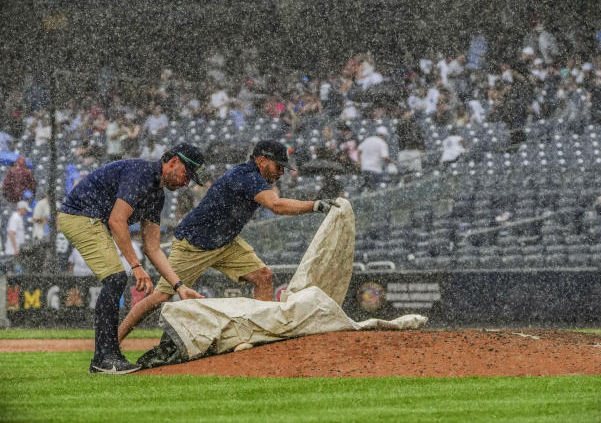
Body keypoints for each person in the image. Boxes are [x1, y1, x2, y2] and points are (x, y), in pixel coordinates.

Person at [118, 140, 339, 343]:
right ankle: (114, 340)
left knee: (264, 277)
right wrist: (315, 205)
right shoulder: (247, 176)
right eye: (278, 166)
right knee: (160, 296)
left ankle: (263, 335)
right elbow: (276, 206)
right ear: (261, 161)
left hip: (225, 242)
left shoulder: (254, 177)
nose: (281, 172)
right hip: (194, 244)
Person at [58, 143, 205, 375]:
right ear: (173, 162)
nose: (186, 183)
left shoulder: (157, 194)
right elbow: (117, 220)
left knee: (116, 279)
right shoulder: (142, 174)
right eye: (186, 175)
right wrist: (136, 266)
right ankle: (104, 358)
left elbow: (153, 248)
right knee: (116, 278)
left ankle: (107, 356)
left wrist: (179, 287)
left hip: (94, 218)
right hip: (79, 215)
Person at [358, 125, 392, 191]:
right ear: (384, 135)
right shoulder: (382, 143)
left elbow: (358, 150)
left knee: (366, 187)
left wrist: (359, 162)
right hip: (375, 169)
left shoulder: (368, 139)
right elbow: (385, 157)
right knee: (374, 189)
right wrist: (392, 162)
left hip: (365, 168)